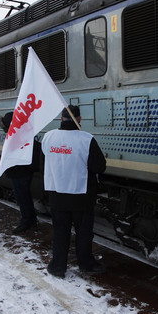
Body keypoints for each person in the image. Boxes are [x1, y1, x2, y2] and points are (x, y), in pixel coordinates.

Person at [41, 105, 107, 278]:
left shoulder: (48, 137)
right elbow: (99, 167)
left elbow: (44, 162)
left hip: (56, 193)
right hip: (81, 195)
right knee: (84, 232)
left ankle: (58, 266)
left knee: (60, 231)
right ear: (79, 119)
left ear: (61, 119)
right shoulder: (86, 139)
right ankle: (86, 264)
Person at [0, 112, 39, 234]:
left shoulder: (15, 136)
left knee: (22, 197)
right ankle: (31, 219)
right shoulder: (21, 133)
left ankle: (26, 221)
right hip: (23, 170)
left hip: (19, 172)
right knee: (24, 196)